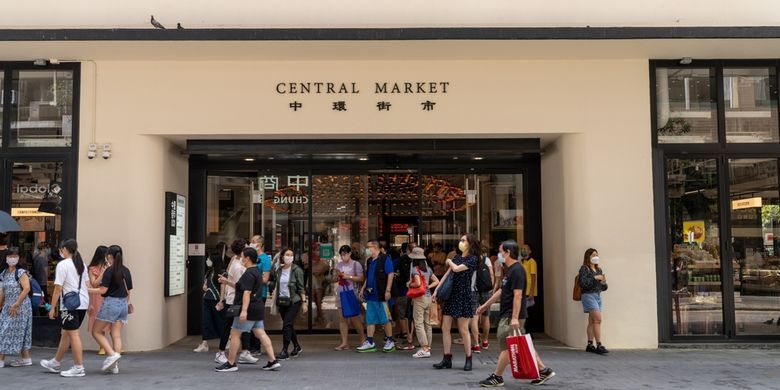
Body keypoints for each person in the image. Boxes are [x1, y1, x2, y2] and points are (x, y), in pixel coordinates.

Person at [477, 240, 555, 387]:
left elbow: (518, 295)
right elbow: (502, 291)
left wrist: (514, 318)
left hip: (511, 316)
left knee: (508, 347)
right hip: (509, 315)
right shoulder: (510, 270)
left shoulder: (517, 270)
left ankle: (497, 377)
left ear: (507, 252)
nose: (498, 255)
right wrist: (485, 306)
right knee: (520, 345)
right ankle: (544, 370)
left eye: (500, 252)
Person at [215, 247, 280, 372]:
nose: (241, 258)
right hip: (257, 308)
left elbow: (246, 292)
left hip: (248, 309)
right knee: (261, 333)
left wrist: (244, 311)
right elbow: (241, 287)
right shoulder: (256, 271)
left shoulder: (249, 273)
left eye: (242, 256)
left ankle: (231, 363)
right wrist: (227, 282)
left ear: (248, 258)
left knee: (234, 334)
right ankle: (272, 360)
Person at [41, 239, 90, 377]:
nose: (60, 251)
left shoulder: (63, 265)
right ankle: (56, 362)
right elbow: (88, 284)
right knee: (66, 333)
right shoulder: (82, 265)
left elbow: (57, 288)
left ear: (65, 249)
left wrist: (52, 308)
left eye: (61, 249)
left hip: (69, 304)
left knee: (73, 334)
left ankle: (79, 367)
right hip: (83, 302)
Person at [433, 234, 479, 371]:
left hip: (464, 295)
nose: (461, 242)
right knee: (445, 327)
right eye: (461, 240)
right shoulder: (456, 257)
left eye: (464, 240)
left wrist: (449, 261)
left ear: (470, 243)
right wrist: (437, 289)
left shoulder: (473, 259)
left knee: (463, 329)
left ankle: (468, 358)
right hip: (452, 295)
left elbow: (457, 269)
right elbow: (447, 275)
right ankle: (447, 358)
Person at [88, 245, 132, 374]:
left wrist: (87, 290)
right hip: (123, 304)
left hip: (111, 303)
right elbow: (129, 291)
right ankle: (115, 366)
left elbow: (102, 290)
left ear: (109, 256)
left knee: (96, 331)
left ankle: (112, 355)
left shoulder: (109, 271)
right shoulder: (126, 270)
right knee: (116, 334)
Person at [216, 239, 257, 365]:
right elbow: (240, 286)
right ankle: (221, 353)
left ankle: (245, 352)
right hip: (234, 300)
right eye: (247, 246)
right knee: (229, 327)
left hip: (233, 299)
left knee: (243, 326)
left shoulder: (235, 259)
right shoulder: (239, 267)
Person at [357, 240, 396, 353]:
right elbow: (369, 276)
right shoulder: (369, 261)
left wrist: (388, 290)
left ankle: (390, 341)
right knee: (370, 319)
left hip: (382, 294)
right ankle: (369, 342)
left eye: (368, 247)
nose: (367, 250)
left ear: (375, 247)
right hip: (370, 295)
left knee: (385, 318)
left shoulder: (385, 258)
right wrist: (363, 288)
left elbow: (390, 274)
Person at [0, 247, 33, 367]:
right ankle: (25, 358)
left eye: (15, 256)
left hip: (21, 306)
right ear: (6, 258)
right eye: (10, 256)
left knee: (4, 332)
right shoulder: (4, 273)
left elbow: (26, 288)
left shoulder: (21, 272)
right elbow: (3, 291)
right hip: (8, 306)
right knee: (9, 330)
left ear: (18, 258)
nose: (12, 259)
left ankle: (1, 359)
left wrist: (17, 304)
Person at [274, 248, 306, 360]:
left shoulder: (297, 270)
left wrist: (304, 302)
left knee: (286, 324)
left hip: (294, 301)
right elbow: (275, 284)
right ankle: (297, 346)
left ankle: (284, 350)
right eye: (287, 254)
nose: (289, 257)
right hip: (282, 301)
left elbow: (301, 288)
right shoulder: (279, 270)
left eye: (291, 255)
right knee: (289, 325)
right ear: (282, 256)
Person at [194, 242, 226, 353]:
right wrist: (204, 286)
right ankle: (204, 343)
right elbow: (206, 284)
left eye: (209, 258)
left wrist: (222, 300)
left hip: (216, 300)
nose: (208, 260)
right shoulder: (209, 272)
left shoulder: (221, 272)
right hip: (207, 299)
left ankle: (225, 340)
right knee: (206, 321)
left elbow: (223, 287)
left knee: (220, 321)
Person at [407, 247, 439, 358]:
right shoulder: (428, 269)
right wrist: (428, 287)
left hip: (419, 298)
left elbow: (417, 283)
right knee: (427, 323)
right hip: (428, 297)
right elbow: (437, 281)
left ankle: (424, 348)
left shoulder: (415, 269)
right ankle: (428, 347)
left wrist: (409, 284)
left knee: (418, 323)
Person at [334, 245, 365, 351]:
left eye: (345, 254)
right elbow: (335, 279)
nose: (343, 256)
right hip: (341, 293)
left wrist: (348, 277)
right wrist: (335, 275)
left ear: (350, 253)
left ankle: (362, 340)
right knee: (342, 319)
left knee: (354, 318)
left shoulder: (356, 264)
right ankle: (344, 343)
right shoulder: (339, 264)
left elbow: (361, 278)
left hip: (352, 293)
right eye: (341, 254)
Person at [579, 248, 609, 354]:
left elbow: (604, 287)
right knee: (598, 320)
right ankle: (599, 345)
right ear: (588, 257)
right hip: (588, 296)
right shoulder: (584, 269)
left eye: (597, 255)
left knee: (592, 321)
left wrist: (603, 282)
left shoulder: (599, 269)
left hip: (597, 296)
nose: (596, 257)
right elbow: (583, 284)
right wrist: (595, 278)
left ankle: (590, 344)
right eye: (593, 255)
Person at [86, 246, 110, 355]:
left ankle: (114, 345)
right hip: (97, 296)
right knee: (99, 319)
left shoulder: (109, 266)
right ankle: (102, 346)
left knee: (110, 320)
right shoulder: (92, 268)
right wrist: (103, 273)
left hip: (108, 295)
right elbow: (94, 283)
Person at [470, 251, 494, 354]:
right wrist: (490, 288)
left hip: (473, 291)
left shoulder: (470, 259)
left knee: (474, 317)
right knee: (486, 317)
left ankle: (476, 345)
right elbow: (491, 274)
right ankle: (485, 341)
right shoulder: (486, 259)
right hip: (485, 291)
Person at [393, 244, 414, 350]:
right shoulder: (422, 261)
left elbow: (391, 271)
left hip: (403, 291)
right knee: (414, 316)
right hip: (417, 293)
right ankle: (424, 342)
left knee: (403, 314)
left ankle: (406, 334)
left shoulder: (399, 260)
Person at [521, 243, 538, 334]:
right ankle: (525, 331)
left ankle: (530, 333)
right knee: (524, 313)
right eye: (522, 249)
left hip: (529, 292)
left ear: (530, 251)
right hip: (523, 290)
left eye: (525, 249)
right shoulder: (521, 262)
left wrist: (531, 292)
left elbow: (533, 277)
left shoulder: (532, 262)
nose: (523, 250)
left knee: (530, 313)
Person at [309, 248, 330, 325]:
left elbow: (325, 268)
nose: (316, 257)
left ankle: (320, 316)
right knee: (316, 302)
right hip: (312, 284)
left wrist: (320, 272)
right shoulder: (310, 263)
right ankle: (319, 316)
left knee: (318, 302)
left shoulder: (323, 263)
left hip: (319, 285)